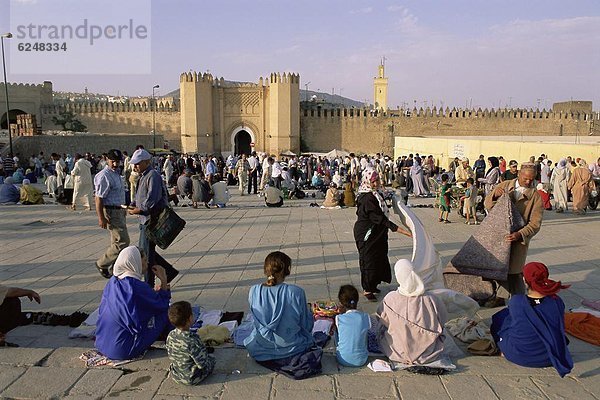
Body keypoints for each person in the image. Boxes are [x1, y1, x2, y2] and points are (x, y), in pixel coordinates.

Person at [490, 262, 573, 377]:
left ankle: (503, 350)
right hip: (549, 357)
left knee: (501, 319)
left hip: (518, 355)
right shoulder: (556, 302)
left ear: (524, 280)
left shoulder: (517, 301)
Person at [95, 246, 172, 360]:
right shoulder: (136, 287)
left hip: (101, 343)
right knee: (167, 313)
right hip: (122, 350)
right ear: (134, 262)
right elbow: (162, 305)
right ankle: (174, 338)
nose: (147, 263)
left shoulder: (112, 281)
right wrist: (164, 281)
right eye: (144, 260)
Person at [377, 260, 448, 373]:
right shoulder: (431, 299)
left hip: (396, 352)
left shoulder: (389, 299)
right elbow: (443, 320)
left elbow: (382, 320)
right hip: (428, 353)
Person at [484, 163, 544, 295]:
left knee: (514, 271)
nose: (528, 182)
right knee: (498, 268)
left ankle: (519, 298)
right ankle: (498, 296)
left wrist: (520, 234)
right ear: (518, 174)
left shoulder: (536, 197)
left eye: (531, 179)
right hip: (499, 237)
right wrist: (494, 195)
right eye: (525, 178)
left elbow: (535, 224)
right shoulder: (504, 185)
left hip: (517, 240)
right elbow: (488, 205)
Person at [244, 251, 315, 362]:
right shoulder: (296, 292)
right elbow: (306, 326)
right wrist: (310, 312)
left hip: (259, 349)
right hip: (293, 348)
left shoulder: (254, 290)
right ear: (287, 270)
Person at [354, 169, 411, 301]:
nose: (377, 183)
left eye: (377, 180)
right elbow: (379, 218)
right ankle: (367, 289)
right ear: (368, 181)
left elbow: (385, 198)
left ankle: (374, 284)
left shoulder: (374, 194)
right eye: (374, 181)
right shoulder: (367, 198)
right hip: (367, 235)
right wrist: (401, 230)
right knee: (369, 260)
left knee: (379, 257)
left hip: (377, 233)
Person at [128, 148, 179, 286]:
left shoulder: (152, 175)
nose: (135, 166)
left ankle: (149, 283)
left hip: (151, 220)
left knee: (145, 255)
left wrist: (140, 210)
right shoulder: (144, 175)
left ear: (146, 162)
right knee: (147, 252)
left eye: (138, 163)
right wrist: (132, 205)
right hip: (145, 219)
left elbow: (152, 199)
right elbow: (140, 196)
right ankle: (168, 271)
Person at [93, 149, 130, 279]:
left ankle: (114, 266)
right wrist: (101, 217)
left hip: (119, 210)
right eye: (112, 161)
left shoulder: (115, 174)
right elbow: (98, 198)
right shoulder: (104, 175)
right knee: (123, 241)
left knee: (115, 241)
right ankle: (102, 263)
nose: (115, 164)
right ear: (107, 160)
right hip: (111, 211)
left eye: (117, 161)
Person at [166, 301, 216, 385]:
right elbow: (202, 364)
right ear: (189, 319)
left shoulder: (171, 335)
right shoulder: (192, 340)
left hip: (176, 375)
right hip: (191, 378)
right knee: (212, 359)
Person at [335, 285, 370, 367]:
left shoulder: (339, 318)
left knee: (337, 331)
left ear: (341, 302)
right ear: (357, 300)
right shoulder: (365, 316)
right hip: (362, 359)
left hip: (342, 358)